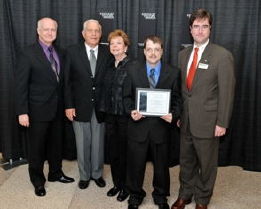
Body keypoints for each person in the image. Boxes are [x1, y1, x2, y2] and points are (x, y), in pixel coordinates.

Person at [171, 8, 235, 209]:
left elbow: (227, 91)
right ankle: (185, 194)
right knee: (186, 160)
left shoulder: (222, 56)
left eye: (204, 26)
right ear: (190, 29)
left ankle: (203, 199)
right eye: (196, 26)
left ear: (210, 29)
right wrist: (180, 113)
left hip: (208, 121)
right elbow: (182, 90)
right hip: (186, 120)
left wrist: (222, 122)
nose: (199, 31)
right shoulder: (183, 55)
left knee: (207, 164)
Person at [15, 17, 75, 197]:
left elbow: (64, 82)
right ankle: (38, 181)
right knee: (37, 147)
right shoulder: (28, 53)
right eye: (46, 29)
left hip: (57, 108)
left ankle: (55, 173)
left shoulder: (60, 52)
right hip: (37, 110)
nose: (50, 32)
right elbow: (20, 85)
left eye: (53, 30)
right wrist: (22, 111)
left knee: (56, 144)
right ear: (38, 31)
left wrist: (67, 105)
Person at [123, 35, 182, 209]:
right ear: (144, 51)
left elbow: (178, 99)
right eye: (149, 49)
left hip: (161, 128)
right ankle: (135, 195)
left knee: (162, 166)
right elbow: (125, 97)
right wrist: (130, 111)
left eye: (157, 49)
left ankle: (160, 196)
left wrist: (174, 114)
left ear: (162, 51)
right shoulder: (132, 69)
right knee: (135, 164)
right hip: (138, 126)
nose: (153, 53)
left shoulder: (173, 72)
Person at [64, 19, 112, 190]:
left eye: (97, 31)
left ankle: (97, 174)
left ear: (101, 33)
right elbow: (67, 81)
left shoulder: (108, 52)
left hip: (100, 107)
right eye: (90, 31)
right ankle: (84, 175)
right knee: (82, 143)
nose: (93, 34)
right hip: (79, 106)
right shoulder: (71, 52)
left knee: (98, 143)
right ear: (83, 33)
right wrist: (69, 105)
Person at [99, 29, 132, 202]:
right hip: (110, 116)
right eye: (112, 43)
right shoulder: (109, 66)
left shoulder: (133, 66)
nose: (115, 46)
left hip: (125, 118)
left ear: (125, 46)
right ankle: (117, 184)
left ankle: (126, 187)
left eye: (119, 43)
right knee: (113, 153)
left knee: (125, 153)